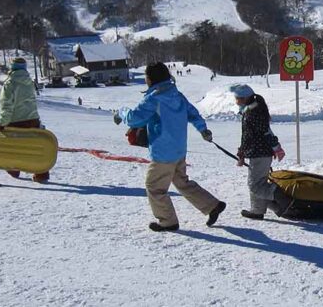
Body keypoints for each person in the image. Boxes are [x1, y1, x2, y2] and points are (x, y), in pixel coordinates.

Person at [116, 63, 226, 231]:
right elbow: (192, 113)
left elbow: (134, 119)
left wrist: (121, 112)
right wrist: (203, 129)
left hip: (162, 153)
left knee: (154, 187)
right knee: (182, 182)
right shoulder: (176, 94)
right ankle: (212, 206)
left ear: (151, 78)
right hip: (179, 149)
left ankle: (168, 221)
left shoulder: (154, 98)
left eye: (146, 76)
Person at [230, 84, 288, 220]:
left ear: (244, 98)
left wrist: (276, 148)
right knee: (258, 182)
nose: (236, 101)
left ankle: (281, 197)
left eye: (237, 98)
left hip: (259, 153)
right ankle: (258, 210)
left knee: (255, 185)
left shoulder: (252, 113)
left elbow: (262, 133)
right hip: (260, 152)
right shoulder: (252, 110)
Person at [0, 57, 47, 182]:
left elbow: (7, 106)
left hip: (16, 121)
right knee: (35, 147)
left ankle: (14, 170)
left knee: (13, 148)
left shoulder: (10, 83)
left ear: (12, 68)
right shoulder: (29, 82)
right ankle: (41, 173)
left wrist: (2, 123)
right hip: (32, 119)